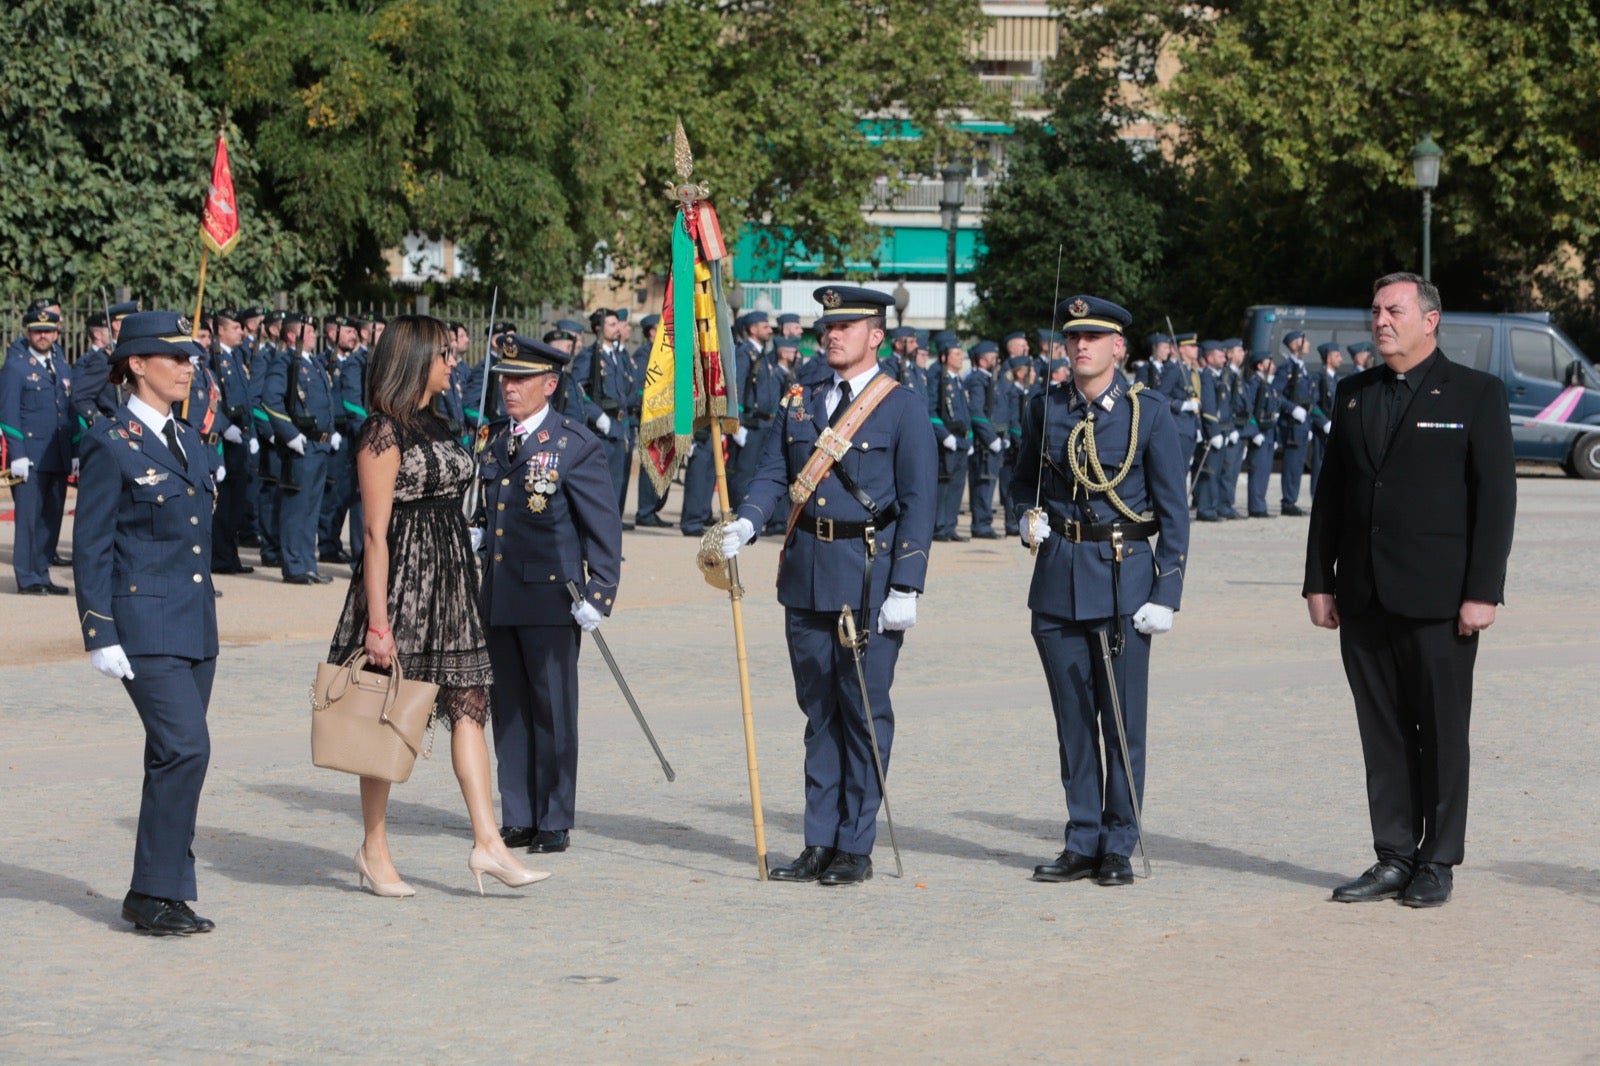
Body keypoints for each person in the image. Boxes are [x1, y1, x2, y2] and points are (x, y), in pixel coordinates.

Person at [1305, 272, 1516, 908]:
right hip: (1365, 596)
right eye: (1374, 311)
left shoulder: (1477, 393)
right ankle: (1393, 855)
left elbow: (1495, 500)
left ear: (1431, 320)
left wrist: (1484, 591)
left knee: (1442, 733)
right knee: (1383, 733)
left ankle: (1438, 859)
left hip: (1441, 601)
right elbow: (1332, 496)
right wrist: (1320, 581)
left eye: (1393, 310)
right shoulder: (1353, 393)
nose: (1380, 321)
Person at [721, 285, 937, 886]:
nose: (832, 334)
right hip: (807, 571)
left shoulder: (901, 405)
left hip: (868, 575)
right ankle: (818, 839)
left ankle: (854, 844)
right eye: (828, 326)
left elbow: (919, 503)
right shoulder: (801, 398)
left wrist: (907, 586)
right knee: (818, 712)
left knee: (862, 711)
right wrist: (748, 520)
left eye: (847, 325)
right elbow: (773, 472)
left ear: (876, 335)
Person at [328, 315, 548, 896]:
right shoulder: (382, 431)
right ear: (415, 360)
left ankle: (488, 843)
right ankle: (374, 850)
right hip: (402, 585)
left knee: (471, 706)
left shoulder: (442, 422)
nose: (455, 363)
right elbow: (374, 534)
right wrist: (377, 623)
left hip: (452, 584)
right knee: (388, 717)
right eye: (445, 355)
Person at [1011, 295, 1189, 887]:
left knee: (1121, 721)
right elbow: (1020, 480)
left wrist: (1167, 591)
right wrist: (1024, 516)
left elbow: (1173, 511)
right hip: (1058, 579)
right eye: (1072, 338)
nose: (1080, 347)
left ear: (1119, 347)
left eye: (1093, 338)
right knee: (1072, 722)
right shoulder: (1045, 409)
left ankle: (1118, 841)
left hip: (1122, 581)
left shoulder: (1149, 413)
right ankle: (1082, 836)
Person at [72, 311, 219, 934]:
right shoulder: (109, 442)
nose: (188, 367)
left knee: (173, 755)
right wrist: (99, 631)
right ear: (136, 364)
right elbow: (91, 545)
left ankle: (159, 892)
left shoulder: (189, 440)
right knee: (186, 747)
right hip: (143, 623)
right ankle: (156, 890)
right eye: (174, 357)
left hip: (194, 624)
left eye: (190, 357)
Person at [475, 334, 623, 855]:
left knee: (553, 708)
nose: (508, 388)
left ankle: (555, 815)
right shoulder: (492, 441)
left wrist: (600, 592)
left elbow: (602, 525)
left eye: (520, 379)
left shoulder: (575, 444)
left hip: (552, 595)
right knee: (509, 707)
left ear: (550, 384)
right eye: (504, 379)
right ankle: (518, 812)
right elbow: (490, 507)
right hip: (500, 593)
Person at [2, 308, 75, 594]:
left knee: (51, 518)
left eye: (48, 330)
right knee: (29, 519)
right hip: (29, 456)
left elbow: (68, 410)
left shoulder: (61, 364)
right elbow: (8, 414)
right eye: (36, 330)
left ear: (56, 332)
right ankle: (27, 576)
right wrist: (17, 452)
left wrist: (75, 449)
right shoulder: (15, 367)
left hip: (57, 453)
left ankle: (42, 572)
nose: (43, 335)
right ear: (28, 333)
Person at [1274, 330, 1316, 516]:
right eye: (1303, 341)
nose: (1307, 344)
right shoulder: (1286, 369)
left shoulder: (1303, 368)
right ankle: (1288, 502)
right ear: (1294, 345)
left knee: (1298, 465)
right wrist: (1292, 409)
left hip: (1302, 423)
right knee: (1292, 464)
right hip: (1291, 424)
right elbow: (1275, 393)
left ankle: (1292, 500)